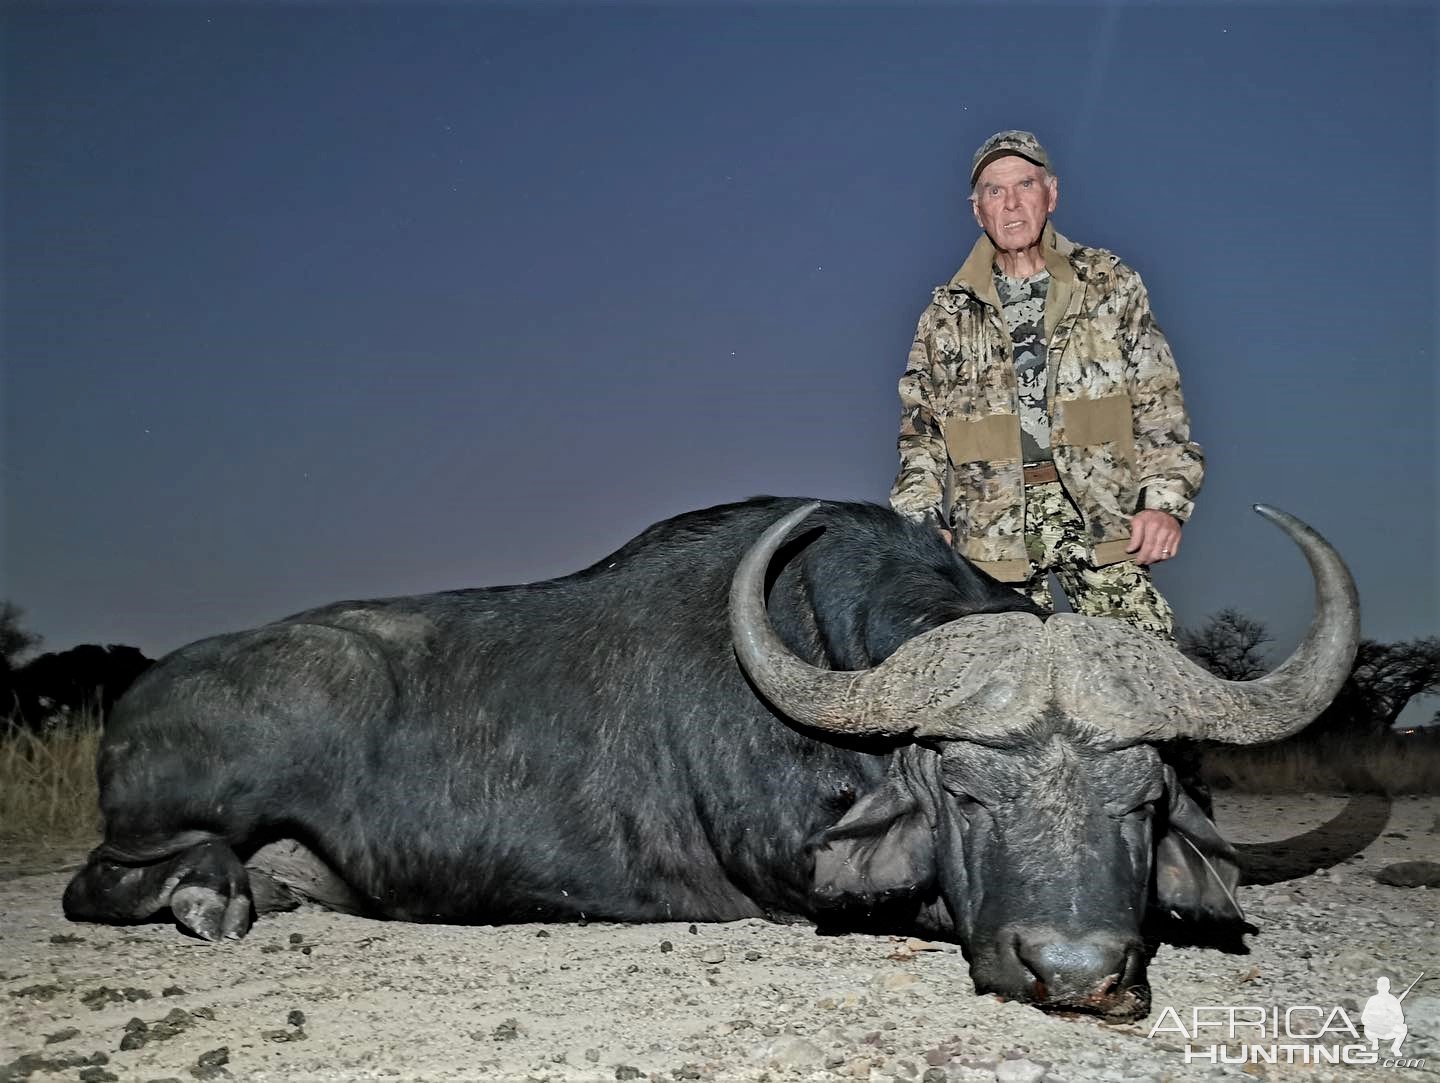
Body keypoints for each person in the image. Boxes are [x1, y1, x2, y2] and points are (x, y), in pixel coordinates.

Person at [889, 130, 1202, 640]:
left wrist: (1163, 503)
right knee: (993, 684)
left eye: (1025, 185)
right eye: (994, 190)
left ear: (1051, 195)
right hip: (989, 529)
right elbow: (921, 433)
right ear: (977, 209)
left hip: (1100, 510)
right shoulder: (944, 315)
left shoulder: (1109, 280)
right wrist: (922, 525)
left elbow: (1158, 401)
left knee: (1141, 672)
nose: (1010, 203)